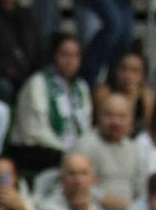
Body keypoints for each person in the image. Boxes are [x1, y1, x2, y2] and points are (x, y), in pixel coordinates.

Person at [9, 33, 93, 173]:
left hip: (72, 149)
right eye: (65, 54)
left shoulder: (81, 86)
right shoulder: (37, 83)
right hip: (37, 149)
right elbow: (35, 132)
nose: (70, 60)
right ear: (54, 55)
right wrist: (68, 150)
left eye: (75, 55)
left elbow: (86, 125)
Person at [71, 91, 145, 210]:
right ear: (98, 116)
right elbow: (79, 188)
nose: (116, 122)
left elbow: (141, 186)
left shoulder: (133, 148)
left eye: (122, 116)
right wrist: (123, 205)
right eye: (110, 115)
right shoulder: (84, 145)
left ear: (131, 120)